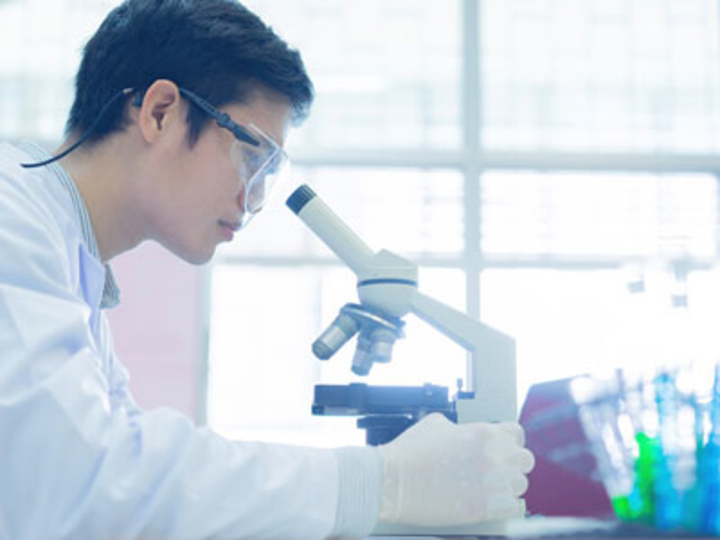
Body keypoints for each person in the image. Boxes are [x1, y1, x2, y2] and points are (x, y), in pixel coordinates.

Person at [0, 1, 534, 538]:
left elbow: (135, 479)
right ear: (160, 112)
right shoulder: (11, 214)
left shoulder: (69, 259)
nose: (251, 201)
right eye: (254, 160)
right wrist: (379, 483)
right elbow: (85, 482)